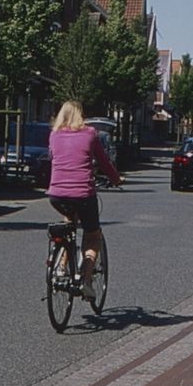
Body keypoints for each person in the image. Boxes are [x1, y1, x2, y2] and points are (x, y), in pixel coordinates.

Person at [47, 101, 122, 298]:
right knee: (92, 235)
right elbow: (104, 161)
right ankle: (85, 280)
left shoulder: (54, 135)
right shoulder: (90, 134)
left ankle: (61, 268)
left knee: (69, 222)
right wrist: (116, 179)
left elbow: (54, 158)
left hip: (56, 195)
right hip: (83, 195)